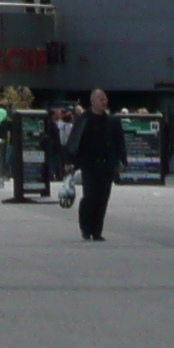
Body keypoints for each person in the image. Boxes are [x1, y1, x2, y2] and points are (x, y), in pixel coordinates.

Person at [70, 89, 126, 241]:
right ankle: (86, 228)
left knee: (103, 198)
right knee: (90, 196)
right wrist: (70, 162)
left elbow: (119, 142)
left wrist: (121, 161)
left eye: (105, 99)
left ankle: (97, 231)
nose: (104, 102)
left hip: (107, 164)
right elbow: (74, 141)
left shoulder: (112, 121)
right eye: (101, 99)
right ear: (93, 101)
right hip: (89, 164)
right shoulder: (84, 119)